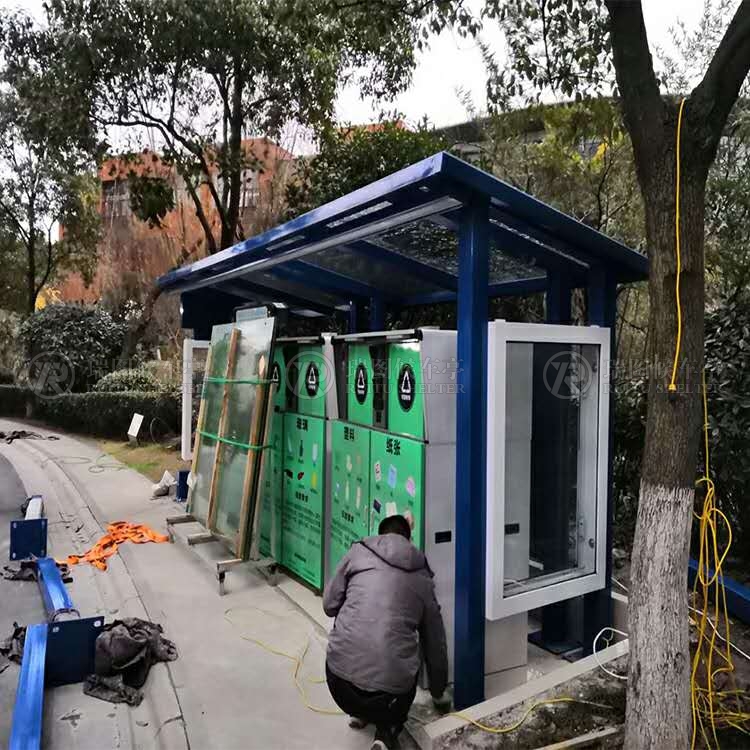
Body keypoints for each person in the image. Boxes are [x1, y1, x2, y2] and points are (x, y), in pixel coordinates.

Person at [323, 514, 449, 750]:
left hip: (338, 684)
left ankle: (359, 713)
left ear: (380, 536)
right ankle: (386, 732)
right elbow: (435, 643)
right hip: (390, 699)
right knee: (409, 651)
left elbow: (329, 605)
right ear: (409, 539)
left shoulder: (357, 554)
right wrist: (438, 691)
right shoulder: (422, 577)